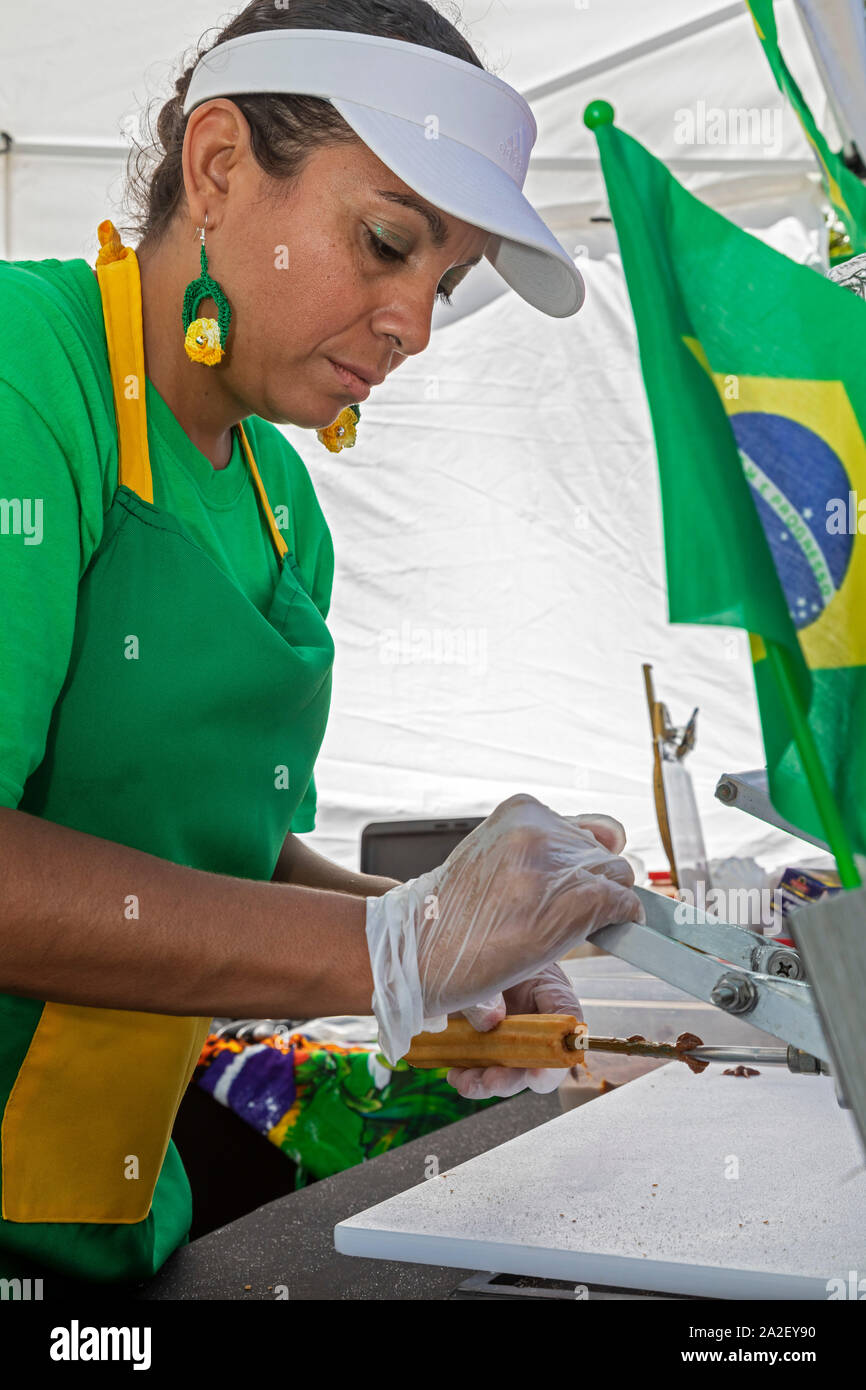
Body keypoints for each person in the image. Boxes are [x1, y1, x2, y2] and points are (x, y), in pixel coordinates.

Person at [0, 0, 642, 1285]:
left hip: (101, 1209)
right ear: (220, 165)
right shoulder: (28, 373)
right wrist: (383, 954)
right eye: (387, 242)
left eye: (442, 281)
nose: (411, 320)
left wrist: (443, 925)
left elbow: (195, 845)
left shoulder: (277, 501)